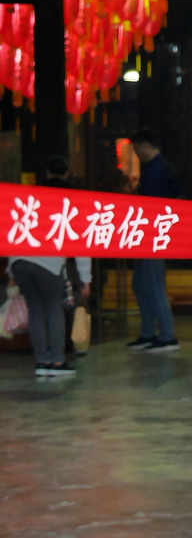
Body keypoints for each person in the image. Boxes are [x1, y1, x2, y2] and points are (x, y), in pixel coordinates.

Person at [7, 156, 91, 377]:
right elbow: (82, 243)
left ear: (46, 173)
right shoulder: (73, 199)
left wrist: (10, 269)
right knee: (54, 308)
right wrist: (85, 279)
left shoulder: (30, 195)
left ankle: (42, 361)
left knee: (35, 309)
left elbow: (14, 229)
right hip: (48, 262)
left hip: (20, 261)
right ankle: (57, 361)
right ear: (67, 174)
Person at [126, 129, 180, 352]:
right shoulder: (159, 167)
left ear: (145, 145)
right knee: (141, 283)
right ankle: (149, 332)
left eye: (137, 148)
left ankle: (166, 335)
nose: (136, 153)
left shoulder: (156, 169)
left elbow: (151, 205)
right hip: (152, 233)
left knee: (153, 284)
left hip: (152, 234)